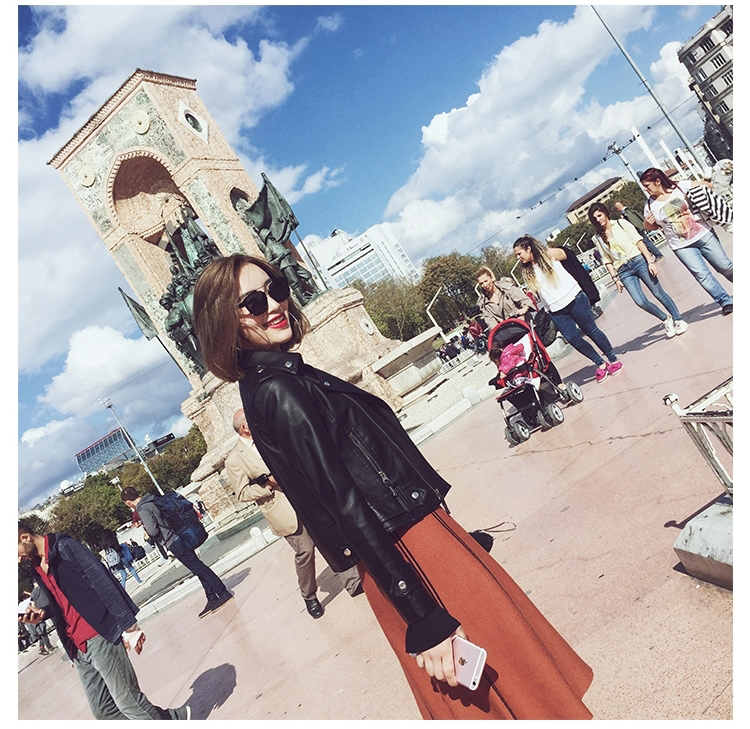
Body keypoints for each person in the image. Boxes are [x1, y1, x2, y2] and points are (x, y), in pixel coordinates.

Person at [191, 253, 593, 719]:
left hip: (409, 542)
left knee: (508, 688)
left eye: (276, 288)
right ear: (224, 322)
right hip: (407, 551)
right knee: (509, 687)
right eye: (254, 302)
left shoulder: (276, 380)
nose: (274, 304)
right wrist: (424, 615)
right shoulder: (279, 389)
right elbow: (342, 503)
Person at [17, 521, 189, 720]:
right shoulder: (37, 567)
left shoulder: (65, 547)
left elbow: (102, 580)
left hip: (98, 635)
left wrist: (129, 626)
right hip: (76, 645)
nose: (17, 560)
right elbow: (63, 602)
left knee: (129, 702)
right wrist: (43, 613)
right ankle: (172, 718)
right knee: (104, 710)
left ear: (25, 538)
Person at [225, 409, 363, 618]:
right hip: (282, 510)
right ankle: (309, 595)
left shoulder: (270, 437)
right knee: (305, 551)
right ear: (244, 427)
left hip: (308, 498)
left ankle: (352, 582)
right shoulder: (234, 459)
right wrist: (268, 484)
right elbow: (242, 492)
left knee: (332, 539)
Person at [513, 235, 622, 384]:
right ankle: (600, 363)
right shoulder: (527, 271)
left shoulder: (549, 254)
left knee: (591, 330)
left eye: (519, 253)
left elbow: (569, 256)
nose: (518, 257)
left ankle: (613, 359)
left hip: (575, 298)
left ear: (529, 248)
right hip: (555, 310)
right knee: (573, 339)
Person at [121, 488, 233, 619]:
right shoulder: (152, 499)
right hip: (180, 535)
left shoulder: (142, 509)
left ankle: (223, 592)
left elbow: (152, 531)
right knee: (197, 568)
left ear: (128, 502)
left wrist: (146, 527)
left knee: (198, 568)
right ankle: (211, 597)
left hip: (172, 541)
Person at [640, 167, 733, 316]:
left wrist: (703, 185)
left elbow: (708, 186)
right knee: (702, 275)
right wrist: (647, 224)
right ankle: (725, 301)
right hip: (681, 246)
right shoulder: (649, 206)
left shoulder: (681, 186)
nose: (645, 189)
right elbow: (654, 227)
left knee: (724, 266)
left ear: (657, 181)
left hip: (704, 234)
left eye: (647, 185)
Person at [589, 203, 688, 338]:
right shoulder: (598, 238)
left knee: (658, 293)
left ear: (605, 213)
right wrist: (615, 278)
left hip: (638, 261)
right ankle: (666, 319)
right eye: (594, 218)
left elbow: (638, 242)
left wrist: (650, 262)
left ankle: (678, 319)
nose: (598, 219)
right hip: (623, 271)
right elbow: (606, 259)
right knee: (640, 301)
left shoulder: (621, 223)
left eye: (599, 215)